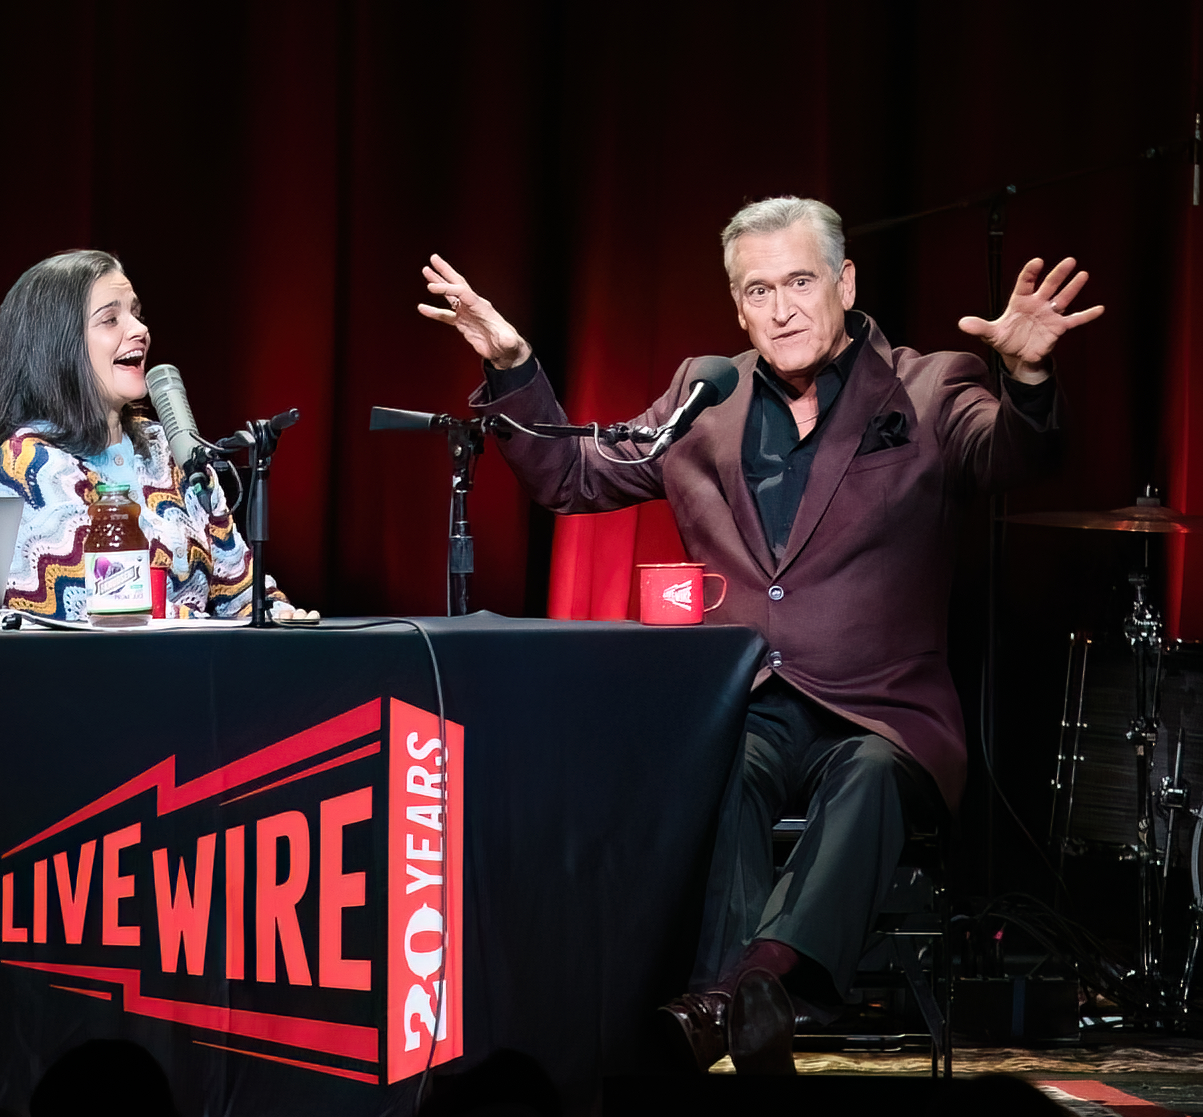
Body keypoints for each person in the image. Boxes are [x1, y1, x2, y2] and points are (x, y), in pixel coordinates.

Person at [417, 197, 1097, 1070]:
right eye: (759, 290)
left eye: (802, 282)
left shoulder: (930, 387)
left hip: (885, 713)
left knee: (871, 777)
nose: (782, 309)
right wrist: (512, 362)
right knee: (718, 765)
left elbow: (1010, 452)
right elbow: (573, 475)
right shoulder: (708, 396)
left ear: (846, 283)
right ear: (738, 307)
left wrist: (1030, 382)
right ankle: (751, 1011)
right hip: (754, 703)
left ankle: (737, 993)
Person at [0, 249, 259, 621]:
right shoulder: (26, 464)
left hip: (198, 669)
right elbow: (96, 604)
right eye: (110, 319)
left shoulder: (168, 449)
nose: (139, 331)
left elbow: (240, 591)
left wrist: (280, 617)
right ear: (58, 346)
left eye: (136, 314)